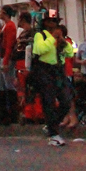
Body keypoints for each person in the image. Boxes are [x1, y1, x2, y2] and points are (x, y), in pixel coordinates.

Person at [30, 17, 75, 146]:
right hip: (44, 71)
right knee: (48, 102)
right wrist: (52, 39)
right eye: (51, 22)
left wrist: (62, 42)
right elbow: (39, 49)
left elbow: (70, 53)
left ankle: (51, 125)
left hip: (58, 71)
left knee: (66, 100)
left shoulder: (59, 37)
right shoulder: (41, 35)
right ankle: (53, 134)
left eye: (55, 23)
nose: (54, 25)